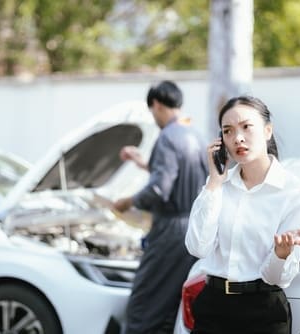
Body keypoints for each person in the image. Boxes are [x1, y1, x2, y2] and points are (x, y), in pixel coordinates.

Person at [185, 95, 300, 334]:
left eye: (246, 127)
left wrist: (280, 254)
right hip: (213, 307)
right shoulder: (217, 187)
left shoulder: (295, 192)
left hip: (263, 312)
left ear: (267, 130)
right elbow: (197, 248)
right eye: (228, 131)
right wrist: (213, 182)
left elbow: (276, 278)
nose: (238, 138)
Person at [113, 80, 208, 334]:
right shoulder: (195, 135)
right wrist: (143, 163)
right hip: (194, 228)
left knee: (144, 304)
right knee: (173, 304)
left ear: (156, 105)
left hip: (170, 233)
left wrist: (128, 201)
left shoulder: (167, 138)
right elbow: (177, 176)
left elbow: (159, 189)